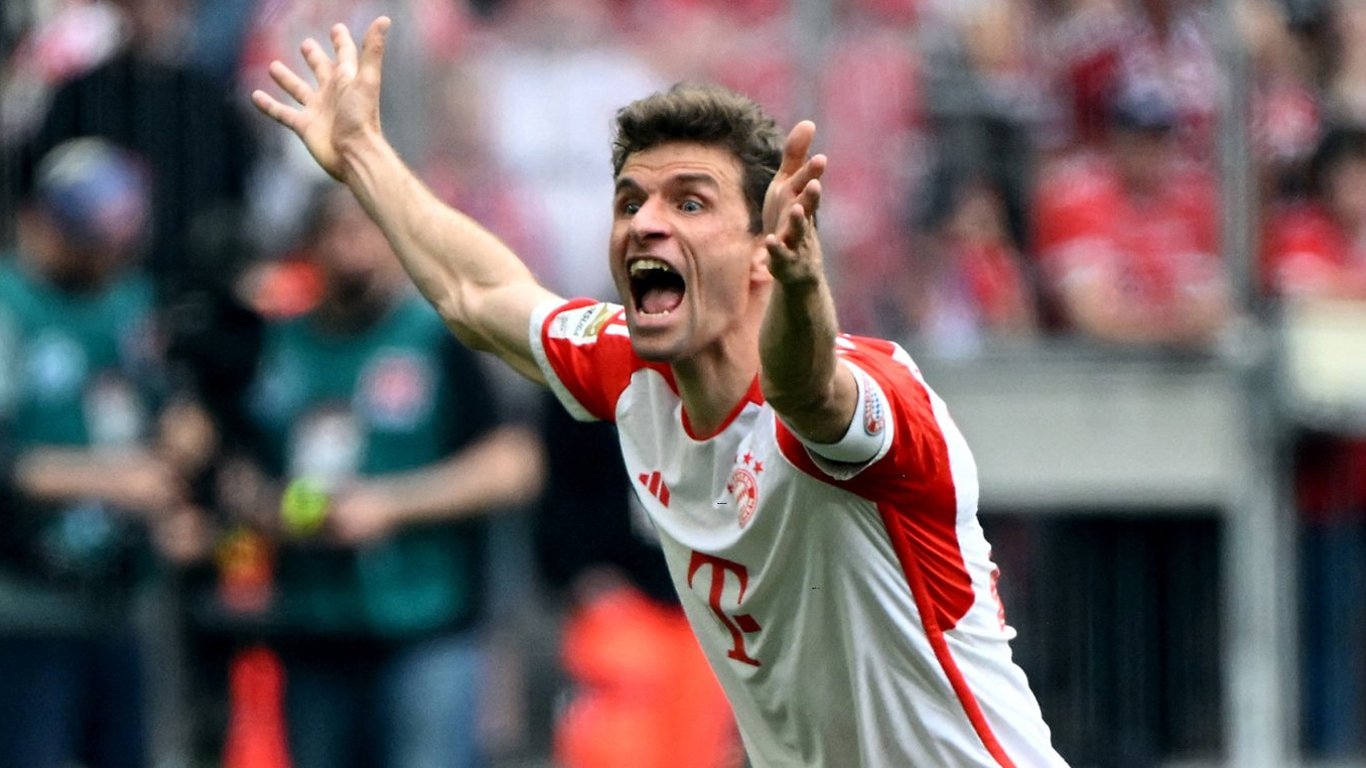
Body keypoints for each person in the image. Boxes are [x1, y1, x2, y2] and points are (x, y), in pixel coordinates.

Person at [252, 17, 1067, 765]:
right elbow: (478, 295)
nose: (645, 222)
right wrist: (362, 153)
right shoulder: (634, 371)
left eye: (690, 202)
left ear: (765, 250)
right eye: (630, 201)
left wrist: (803, 290)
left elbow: (808, 392)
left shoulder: (878, 393)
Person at [204, 182, 542, 768]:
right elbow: (231, 469)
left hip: (427, 626)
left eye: (367, 230)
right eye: (337, 231)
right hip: (312, 628)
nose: (353, 248)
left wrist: (390, 506)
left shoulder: (436, 337)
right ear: (309, 246)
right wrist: (272, 510)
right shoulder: (273, 347)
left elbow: (514, 464)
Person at [0, 137, 212, 768]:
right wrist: (113, 480)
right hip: (27, 602)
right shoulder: (11, 308)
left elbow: (169, 405)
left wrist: (184, 432)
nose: (105, 257)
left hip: (124, 596)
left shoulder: (131, 300)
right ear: (43, 221)